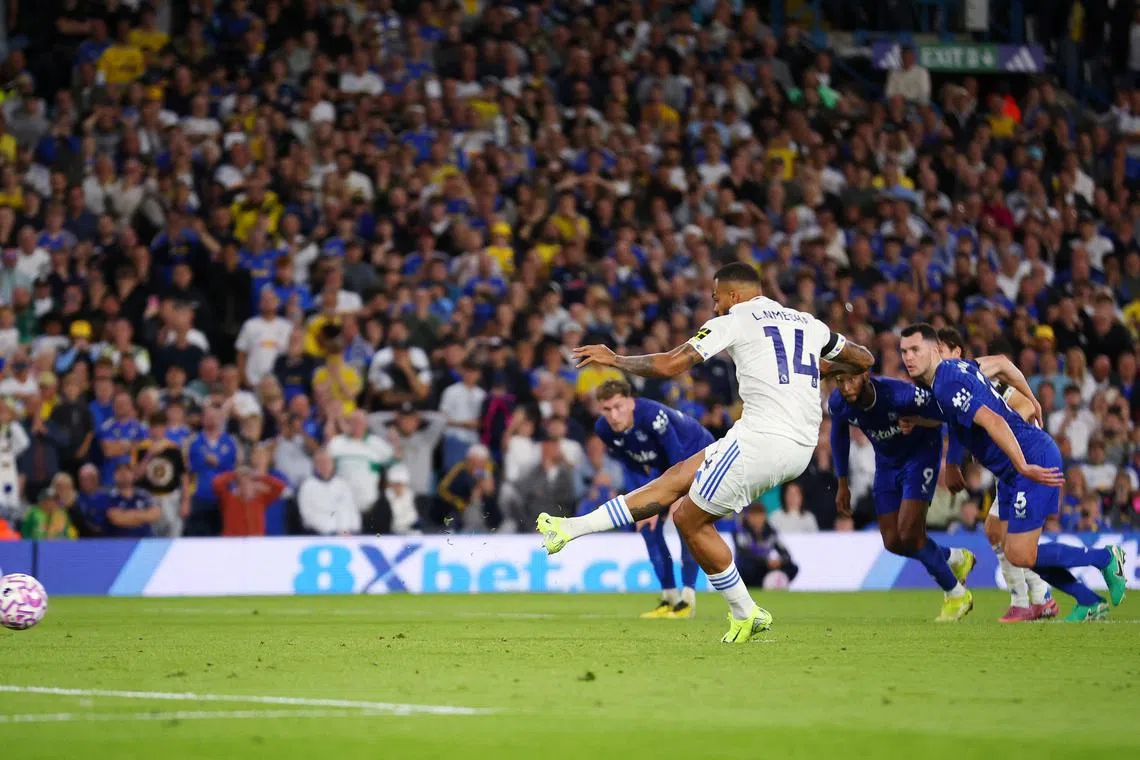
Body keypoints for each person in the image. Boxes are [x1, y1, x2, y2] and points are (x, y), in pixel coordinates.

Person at [539, 263, 873, 642]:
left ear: (733, 295)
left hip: (763, 437)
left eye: (716, 298)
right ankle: (569, 528)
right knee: (677, 478)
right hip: (802, 443)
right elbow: (863, 359)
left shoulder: (736, 318)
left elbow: (670, 364)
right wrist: (817, 371)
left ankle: (745, 611)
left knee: (686, 517)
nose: (714, 307)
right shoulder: (807, 322)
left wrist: (615, 359)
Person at [899, 323, 1127, 622]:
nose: (908, 358)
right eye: (903, 351)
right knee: (1012, 545)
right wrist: (1032, 398)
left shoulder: (947, 382)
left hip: (1029, 459)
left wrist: (1022, 464)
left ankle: (1105, 557)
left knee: (1020, 553)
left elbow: (994, 421)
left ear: (933, 349)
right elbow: (1004, 366)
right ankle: (1087, 600)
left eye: (915, 349)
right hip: (1011, 469)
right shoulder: (960, 370)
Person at [934, 327, 1058, 622]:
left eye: (941, 352)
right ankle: (1034, 598)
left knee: (1015, 544)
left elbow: (1024, 405)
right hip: (1008, 468)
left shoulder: (977, 377)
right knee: (994, 532)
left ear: (957, 353)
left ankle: (1036, 598)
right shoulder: (951, 389)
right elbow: (955, 427)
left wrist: (1008, 431)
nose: (937, 359)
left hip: (1025, 461)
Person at [830, 369, 975, 621]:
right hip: (886, 464)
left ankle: (956, 594)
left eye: (851, 378)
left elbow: (947, 414)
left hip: (920, 456)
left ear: (865, 375)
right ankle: (954, 557)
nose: (845, 386)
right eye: (840, 380)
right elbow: (839, 434)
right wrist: (842, 482)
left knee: (910, 533)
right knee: (893, 541)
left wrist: (920, 424)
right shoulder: (839, 402)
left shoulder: (900, 394)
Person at [594, 377, 712, 620]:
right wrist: (641, 504)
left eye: (618, 407)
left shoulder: (652, 415)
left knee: (685, 522)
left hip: (698, 457)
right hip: (662, 467)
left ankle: (687, 600)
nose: (614, 415)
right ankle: (669, 597)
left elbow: (677, 457)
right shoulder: (603, 429)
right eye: (607, 409)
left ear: (631, 402)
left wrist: (677, 497)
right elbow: (632, 465)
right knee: (647, 526)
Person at [185, 400, 239, 536]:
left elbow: (234, 468)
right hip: (199, 496)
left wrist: (218, 462)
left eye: (215, 417)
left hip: (223, 498)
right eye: (208, 417)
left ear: (221, 419)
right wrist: (185, 499)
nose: (211, 420)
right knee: (197, 537)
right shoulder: (193, 441)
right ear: (203, 419)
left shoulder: (230, 442)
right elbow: (187, 471)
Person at [135, 411, 191, 538]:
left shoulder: (174, 448)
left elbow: (184, 476)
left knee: (173, 532)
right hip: (149, 497)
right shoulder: (141, 449)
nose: (157, 431)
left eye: (160, 427)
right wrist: (149, 455)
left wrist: (186, 501)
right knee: (150, 534)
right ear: (149, 429)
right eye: (154, 427)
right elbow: (137, 475)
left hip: (170, 496)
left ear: (165, 428)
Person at [297, 449, 361, 536]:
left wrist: (351, 530)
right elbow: (308, 516)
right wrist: (334, 531)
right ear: (315, 465)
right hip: (320, 535)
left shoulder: (342, 484)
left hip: (348, 534)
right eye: (321, 462)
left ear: (333, 464)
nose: (325, 465)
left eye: (327, 462)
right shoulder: (307, 486)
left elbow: (352, 510)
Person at [89, 462, 161, 538]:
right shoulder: (106, 496)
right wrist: (143, 516)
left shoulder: (144, 495)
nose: (123, 473)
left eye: (128, 470)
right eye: (119, 470)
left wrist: (127, 515)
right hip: (117, 544)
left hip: (145, 543)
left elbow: (155, 515)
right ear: (114, 476)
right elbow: (117, 519)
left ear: (133, 475)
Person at [212, 465, 286, 537]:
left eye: (249, 483)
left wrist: (260, 476)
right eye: (242, 483)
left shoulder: (261, 500)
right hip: (232, 544)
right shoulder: (228, 499)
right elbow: (217, 483)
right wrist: (234, 473)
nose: (246, 486)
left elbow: (280, 487)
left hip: (256, 544)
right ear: (238, 486)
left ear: (254, 485)